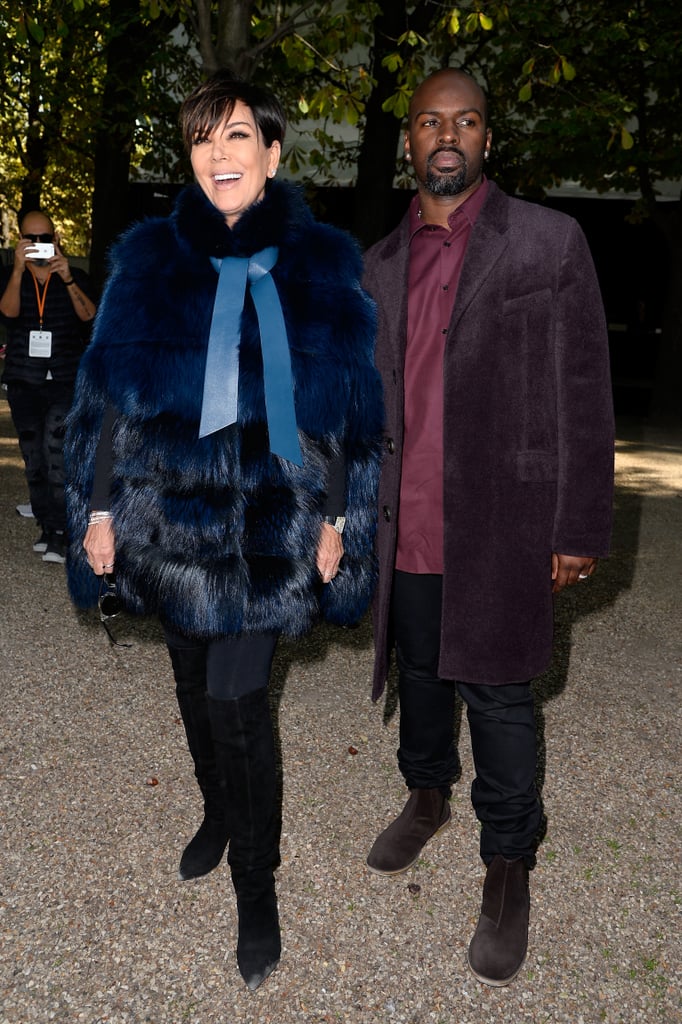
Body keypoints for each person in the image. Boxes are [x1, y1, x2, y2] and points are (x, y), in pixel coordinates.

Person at [64, 71, 382, 992]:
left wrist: (337, 521)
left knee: (241, 702)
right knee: (194, 686)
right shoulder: (147, 262)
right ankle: (214, 807)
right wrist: (95, 512)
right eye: (203, 139)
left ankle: (256, 880)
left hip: (275, 530)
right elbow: (105, 402)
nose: (218, 154)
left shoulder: (325, 264)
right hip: (165, 521)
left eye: (237, 135)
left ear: (272, 154)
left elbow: (353, 414)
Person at [363, 68, 614, 987]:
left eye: (466, 121)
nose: (447, 135)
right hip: (408, 521)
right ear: (409, 140)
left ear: (487, 140)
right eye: (430, 121)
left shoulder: (549, 242)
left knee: (502, 697)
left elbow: (584, 390)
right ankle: (427, 794)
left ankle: (507, 862)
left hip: (506, 521)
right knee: (421, 671)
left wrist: (579, 523)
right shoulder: (379, 264)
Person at [0, 211, 96, 562]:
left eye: (45, 239)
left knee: (56, 456)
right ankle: (47, 523)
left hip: (64, 381)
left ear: (56, 240)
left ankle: (61, 532)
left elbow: (89, 316)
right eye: (31, 239)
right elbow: (8, 314)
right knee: (34, 460)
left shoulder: (75, 276)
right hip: (24, 380)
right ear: (21, 242)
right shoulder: (15, 279)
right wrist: (16, 271)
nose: (39, 246)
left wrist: (68, 278)